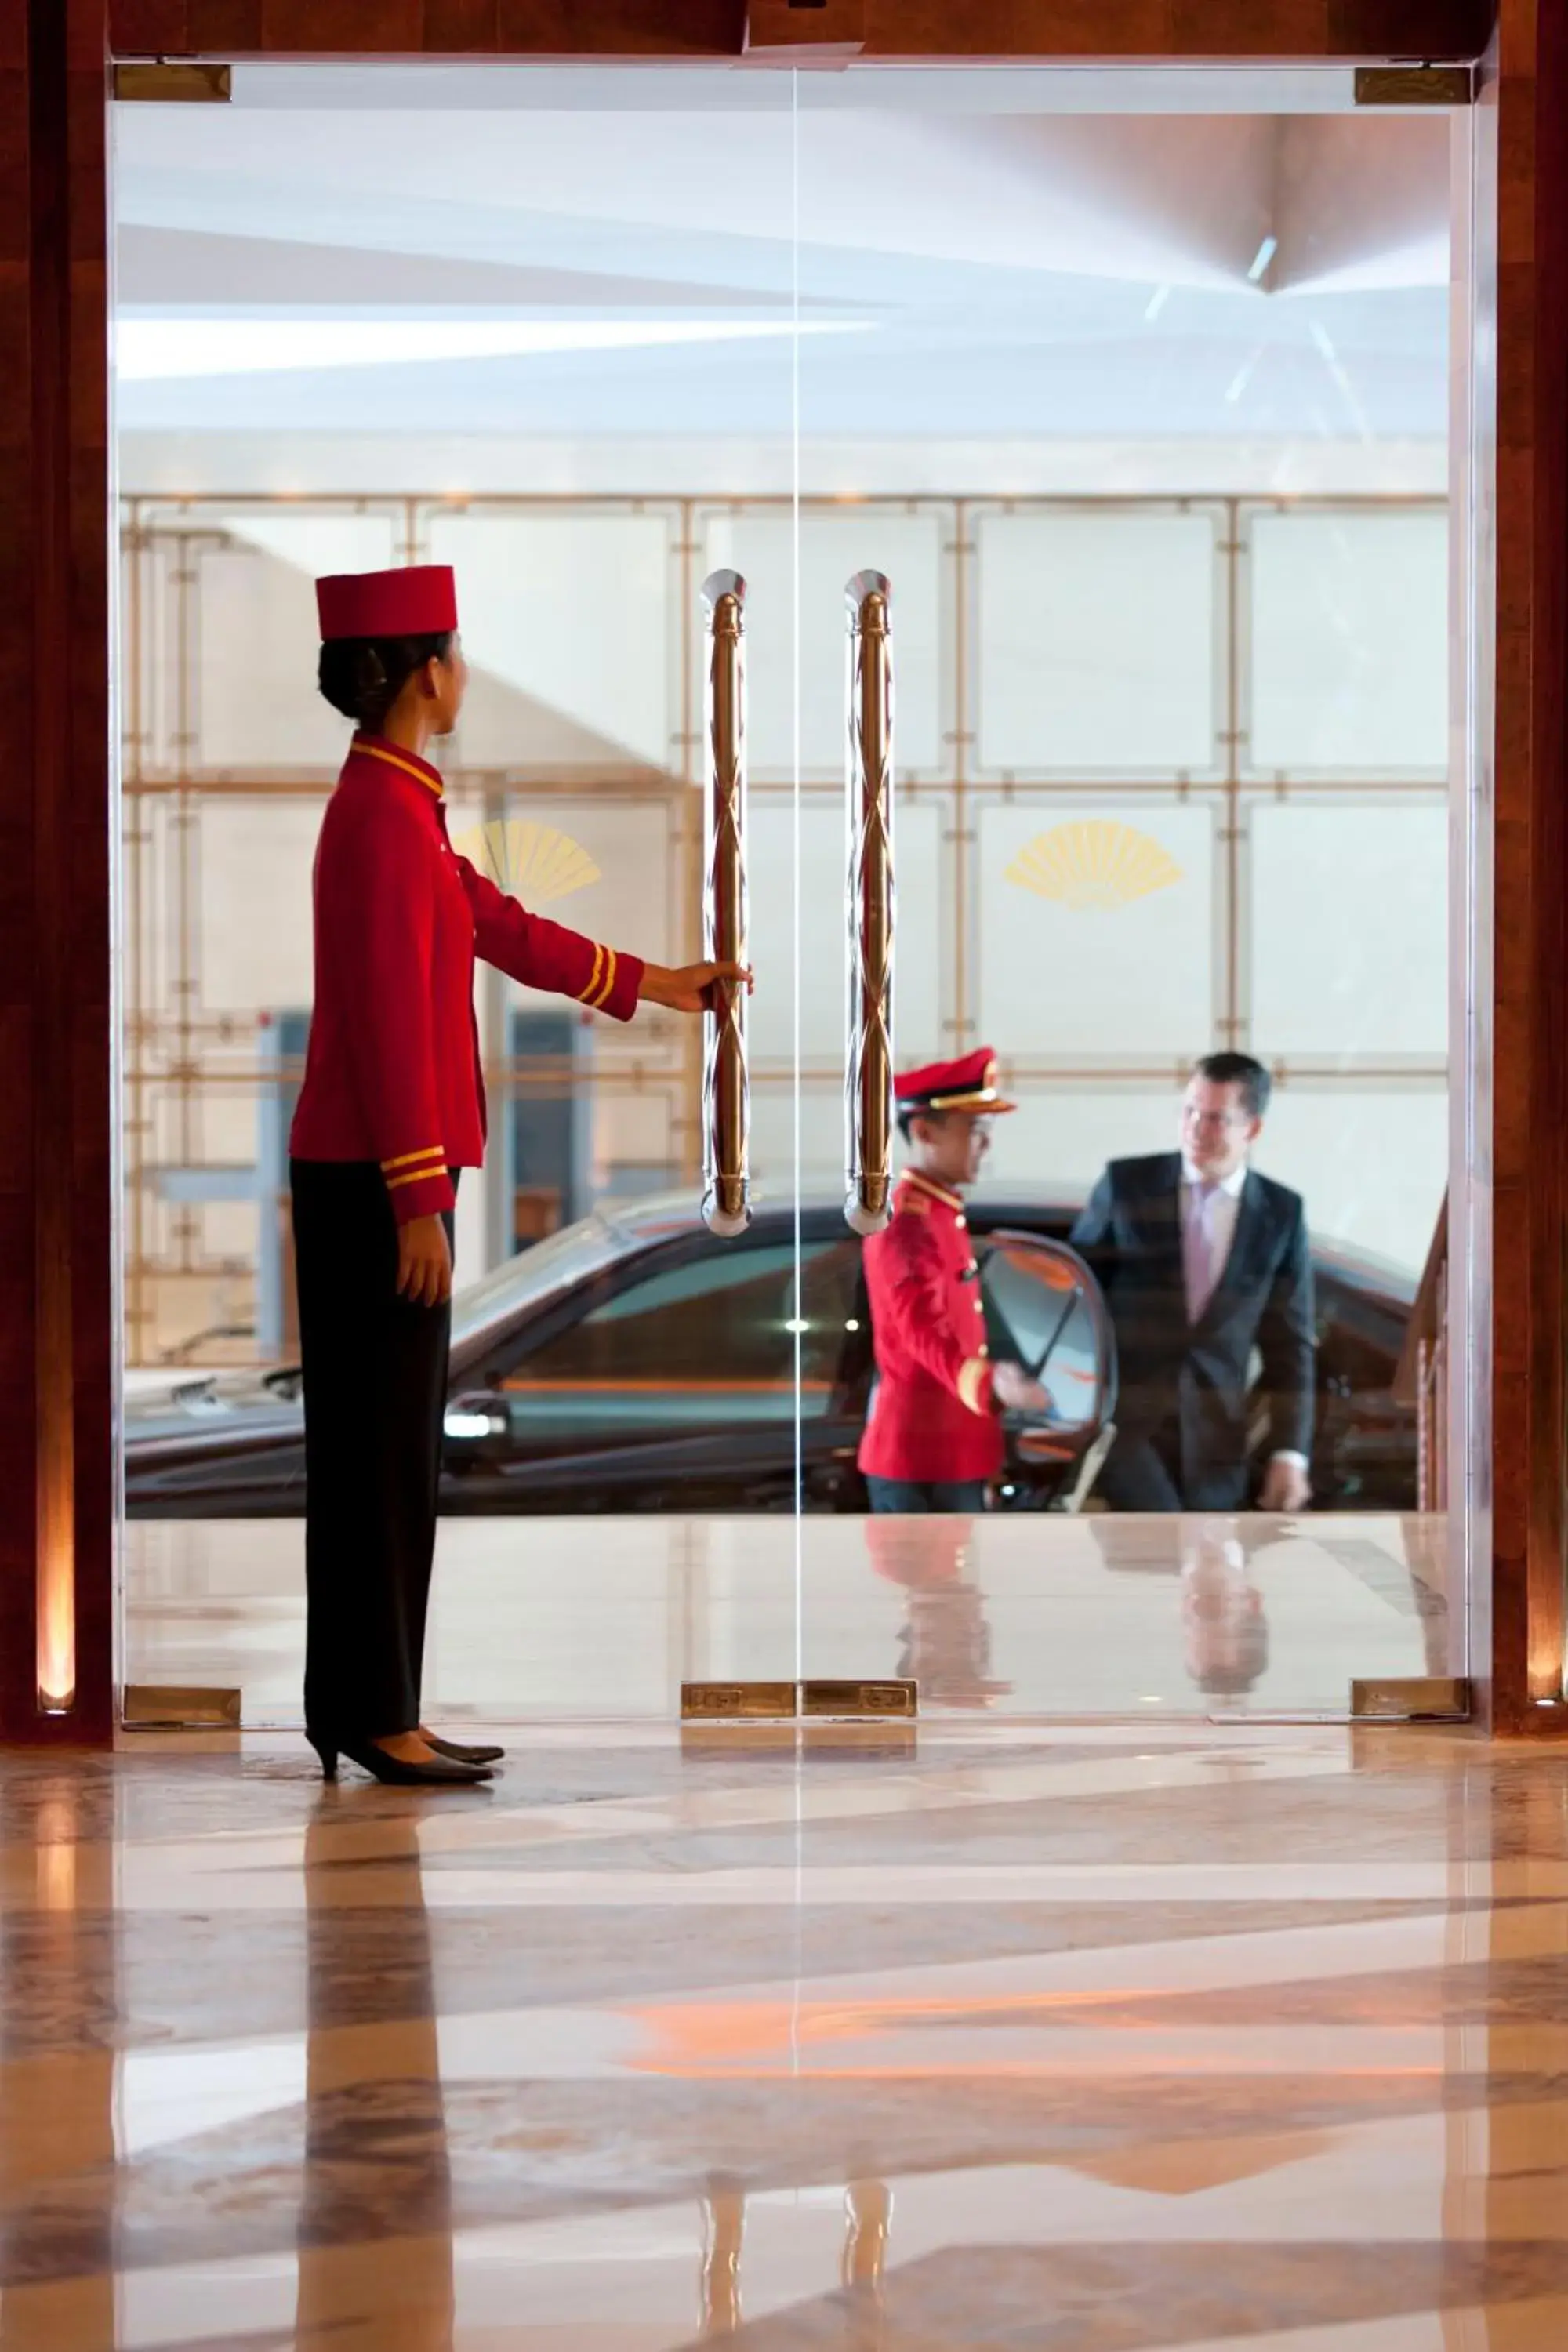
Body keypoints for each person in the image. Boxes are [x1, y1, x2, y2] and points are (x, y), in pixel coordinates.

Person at [289, 564, 748, 1786]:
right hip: (371, 1179)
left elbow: (499, 923)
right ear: (428, 671)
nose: (467, 673)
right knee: (378, 1460)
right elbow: (388, 1020)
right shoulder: (382, 819)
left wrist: (654, 984)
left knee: (385, 1457)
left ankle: (370, 1704)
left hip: (373, 1173)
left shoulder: (398, 805)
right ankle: (369, 1711)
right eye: (459, 652)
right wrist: (418, 1196)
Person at [1070, 1051, 1314, 1515]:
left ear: (1252, 1129)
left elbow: (1291, 1346)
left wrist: (1290, 1453)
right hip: (1125, 1435)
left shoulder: (1281, 1214)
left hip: (1216, 1444)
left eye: (1217, 1119)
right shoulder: (1127, 1186)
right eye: (1190, 1112)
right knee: (1155, 1566)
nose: (1196, 1130)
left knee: (1211, 1577)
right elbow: (1073, 1305)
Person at [858, 1049, 1047, 1513]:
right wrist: (988, 1384)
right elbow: (921, 1328)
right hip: (919, 1459)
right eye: (975, 1132)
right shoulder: (906, 1220)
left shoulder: (940, 1210)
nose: (985, 1146)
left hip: (950, 1453)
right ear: (924, 1132)